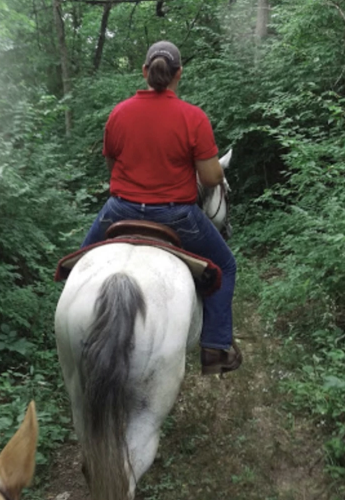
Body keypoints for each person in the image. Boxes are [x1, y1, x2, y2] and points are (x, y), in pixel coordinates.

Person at [81, 41, 242, 376]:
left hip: (119, 209)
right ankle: (214, 348)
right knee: (225, 265)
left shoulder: (120, 113)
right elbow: (212, 178)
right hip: (176, 215)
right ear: (178, 75)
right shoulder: (193, 117)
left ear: (144, 71)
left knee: (78, 267)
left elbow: (112, 160)